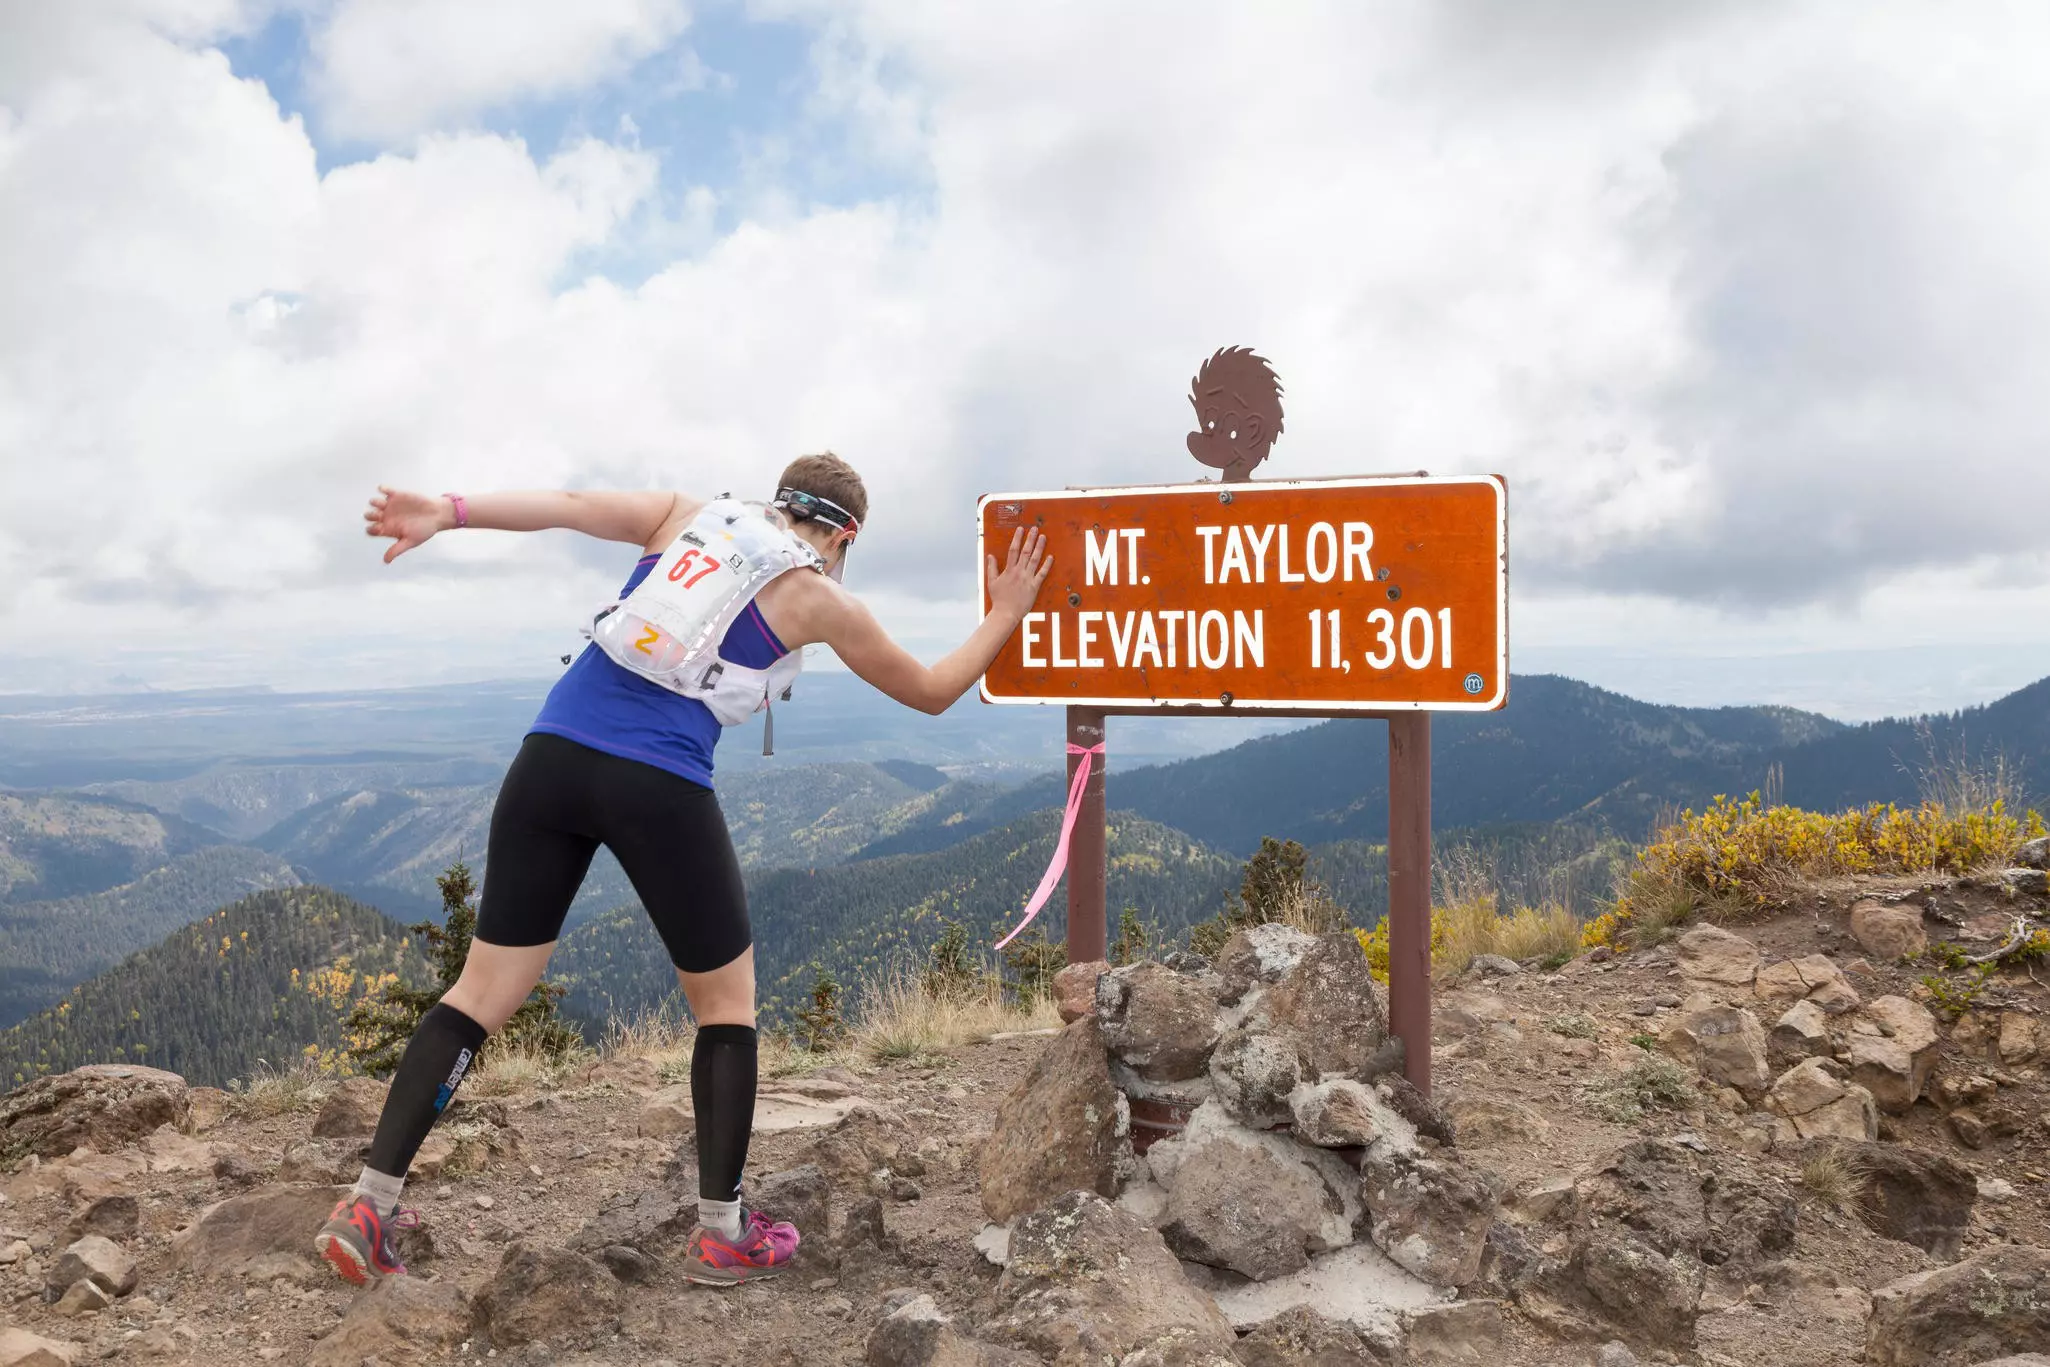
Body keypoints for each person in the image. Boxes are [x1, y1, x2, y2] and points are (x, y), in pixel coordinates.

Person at [314, 453, 1051, 1287]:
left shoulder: (685, 515)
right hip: (655, 780)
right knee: (725, 1007)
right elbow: (929, 689)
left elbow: (565, 505)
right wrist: (1008, 613)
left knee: (477, 995)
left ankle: (369, 1204)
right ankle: (724, 1232)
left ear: (777, 499)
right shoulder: (817, 594)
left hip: (547, 758)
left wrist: (448, 509)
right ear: (843, 535)